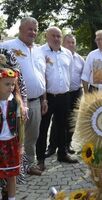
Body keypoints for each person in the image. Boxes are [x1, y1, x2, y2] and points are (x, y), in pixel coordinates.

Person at [1, 17, 47, 176]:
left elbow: (42, 75)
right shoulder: (7, 46)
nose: (33, 32)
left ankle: (29, 164)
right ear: (20, 29)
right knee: (12, 136)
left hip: (35, 102)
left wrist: (44, 98)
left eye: (35, 30)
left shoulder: (40, 50)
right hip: (14, 102)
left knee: (32, 136)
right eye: (30, 29)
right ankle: (11, 167)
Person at [36, 27, 77, 171]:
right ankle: (40, 159)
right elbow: (39, 75)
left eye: (59, 36)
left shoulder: (67, 53)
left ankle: (62, 153)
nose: (56, 38)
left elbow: (69, 72)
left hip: (64, 96)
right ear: (46, 36)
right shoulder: (40, 52)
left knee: (62, 127)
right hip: (47, 97)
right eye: (53, 36)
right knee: (43, 128)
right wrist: (44, 98)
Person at [47, 34, 84, 156]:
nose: (71, 45)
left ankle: (67, 144)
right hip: (63, 93)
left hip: (76, 92)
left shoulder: (80, 59)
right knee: (58, 121)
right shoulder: (60, 56)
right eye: (68, 42)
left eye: (73, 42)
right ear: (63, 43)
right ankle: (52, 146)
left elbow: (84, 77)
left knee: (72, 120)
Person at [0, 68, 23, 200]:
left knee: (12, 175)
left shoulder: (15, 102)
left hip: (12, 142)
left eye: (13, 84)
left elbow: (20, 127)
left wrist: (21, 145)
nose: (11, 87)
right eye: (7, 84)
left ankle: (12, 198)